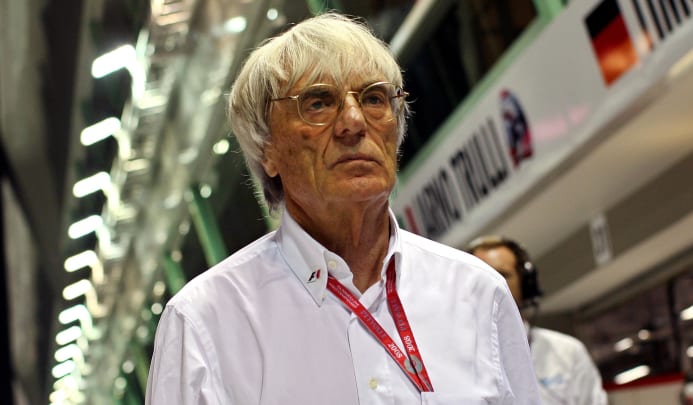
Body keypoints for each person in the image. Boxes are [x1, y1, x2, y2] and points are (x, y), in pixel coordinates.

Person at [145, 12, 540, 405]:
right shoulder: (204, 323)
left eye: (373, 98)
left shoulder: (478, 293)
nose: (353, 121)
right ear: (266, 150)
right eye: (318, 103)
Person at [469, 235, 607, 405]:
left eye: (502, 274)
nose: (493, 285)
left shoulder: (567, 352)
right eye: (482, 277)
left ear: (526, 284)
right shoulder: (457, 357)